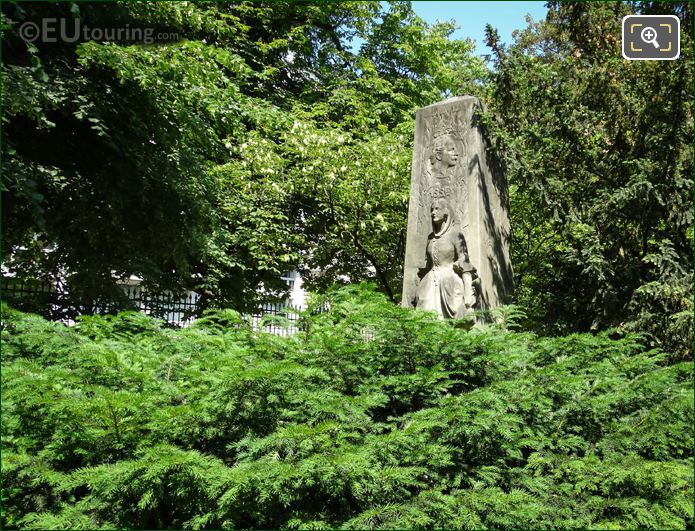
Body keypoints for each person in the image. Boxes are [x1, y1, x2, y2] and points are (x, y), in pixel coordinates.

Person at [414, 198, 477, 319]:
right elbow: (427, 265)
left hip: (449, 281)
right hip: (430, 279)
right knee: (423, 310)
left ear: (446, 213)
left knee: (453, 316)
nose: (433, 212)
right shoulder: (430, 238)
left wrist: (468, 293)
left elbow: (465, 263)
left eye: (437, 209)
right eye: (432, 209)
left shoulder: (456, 235)